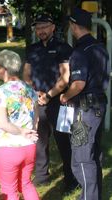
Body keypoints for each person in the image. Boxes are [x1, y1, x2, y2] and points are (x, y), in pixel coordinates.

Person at [23, 13, 78, 190]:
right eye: (38, 28)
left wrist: (48, 95)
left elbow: (65, 77)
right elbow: (26, 74)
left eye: (44, 27)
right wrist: (33, 91)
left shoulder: (63, 48)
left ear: (53, 27)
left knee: (64, 141)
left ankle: (71, 180)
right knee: (39, 140)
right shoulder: (32, 49)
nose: (41, 31)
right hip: (37, 101)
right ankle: (41, 176)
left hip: (58, 101)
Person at [60, 8, 109, 200]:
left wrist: (65, 96)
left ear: (73, 26)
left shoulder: (80, 51)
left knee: (81, 159)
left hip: (84, 109)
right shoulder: (100, 47)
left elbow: (78, 84)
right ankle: (94, 195)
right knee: (94, 154)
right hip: (98, 106)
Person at [0, 49, 39, 200]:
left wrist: (20, 131)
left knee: (8, 190)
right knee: (26, 184)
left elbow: (3, 123)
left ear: (4, 69)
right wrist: (30, 133)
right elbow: (36, 118)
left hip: (7, 147)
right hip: (29, 147)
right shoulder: (30, 89)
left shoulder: (1, 91)